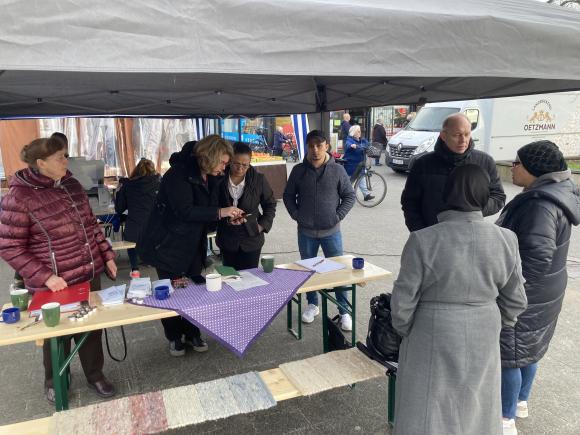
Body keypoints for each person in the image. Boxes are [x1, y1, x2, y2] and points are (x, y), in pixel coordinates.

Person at [391, 164, 527, 435]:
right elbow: (516, 300)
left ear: (447, 193)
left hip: (431, 330)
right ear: (485, 197)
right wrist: (497, 320)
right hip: (484, 327)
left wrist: (407, 330)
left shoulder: (423, 240)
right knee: (477, 402)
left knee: (429, 406)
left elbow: (402, 302)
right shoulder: (506, 240)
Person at [0, 136, 118, 402]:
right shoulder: (19, 196)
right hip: (54, 283)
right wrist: (45, 277)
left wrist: (107, 255)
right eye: (60, 157)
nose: (67, 161)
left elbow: (90, 225)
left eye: (66, 155)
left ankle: (95, 375)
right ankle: (55, 379)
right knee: (56, 335)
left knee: (91, 329)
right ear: (41, 163)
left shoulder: (72, 185)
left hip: (87, 274)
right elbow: (10, 247)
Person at [496, 140, 580, 435]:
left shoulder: (539, 205)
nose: (512, 168)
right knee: (529, 349)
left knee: (510, 354)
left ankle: (505, 420)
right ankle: (520, 402)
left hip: (528, 294)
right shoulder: (556, 192)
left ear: (532, 169)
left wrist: (511, 294)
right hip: (548, 291)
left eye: (516, 163)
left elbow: (535, 259)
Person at [139, 136, 243, 357]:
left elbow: (210, 211)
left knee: (195, 289)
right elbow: (184, 211)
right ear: (210, 157)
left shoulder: (212, 176)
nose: (225, 168)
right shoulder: (177, 175)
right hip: (167, 244)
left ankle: (193, 332)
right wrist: (221, 212)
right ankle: (175, 338)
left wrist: (226, 217)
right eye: (223, 163)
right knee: (171, 292)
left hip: (193, 243)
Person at [283, 130, 356, 331]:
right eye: (311, 146)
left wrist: (337, 216)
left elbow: (349, 196)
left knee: (339, 271)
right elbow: (288, 196)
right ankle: (312, 304)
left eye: (319, 145)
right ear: (307, 147)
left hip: (332, 231)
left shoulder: (338, 170)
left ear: (327, 146)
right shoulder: (298, 170)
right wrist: (296, 215)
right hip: (305, 232)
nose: (315, 150)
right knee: (308, 270)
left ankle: (343, 310)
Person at [401, 113, 506, 232]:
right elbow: (410, 202)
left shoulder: (484, 161)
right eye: (457, 135)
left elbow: (498, 197)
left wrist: (474, 211)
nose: (463, 140)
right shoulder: (423, 164)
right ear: (443, 136)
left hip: (471, 234)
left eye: (467, 134)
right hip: (432, 234)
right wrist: (419, 231)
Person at [216, 142, 277, 270]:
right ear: (229, 161)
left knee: (250, 278)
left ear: (250, 163)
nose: (240, 169)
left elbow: (270, 204)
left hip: (252, 238)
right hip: (227, 237)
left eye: (245, 165)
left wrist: (261, 226)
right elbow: (212, 205)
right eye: (236, 164)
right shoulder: (219, 178)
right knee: (229, 277)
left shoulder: (258, 179)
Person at [114, 158, 160, 278]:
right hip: (155, 228)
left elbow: (119, 208)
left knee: (131, 234)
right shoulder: (160, 183)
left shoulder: (128, 185)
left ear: (136, 171)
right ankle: (152, 261)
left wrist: (119, 191)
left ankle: (135, 269)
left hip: (135, 229)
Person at [343, 125, 374, 201]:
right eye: (358, 131)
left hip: (360, 164)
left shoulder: (362, 140)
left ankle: (366, 195)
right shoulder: (349, 140)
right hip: (351, 164)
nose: (360, 132)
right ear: (353, 133)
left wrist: (371, 146)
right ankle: (346, 196)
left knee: (361, 178)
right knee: (350, 182)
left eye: (360, 131)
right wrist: (351, 145)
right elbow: (347, 145)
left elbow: (368, 144)